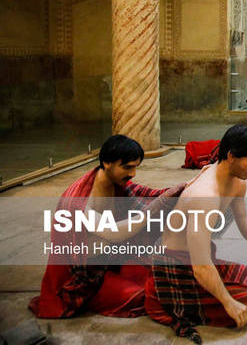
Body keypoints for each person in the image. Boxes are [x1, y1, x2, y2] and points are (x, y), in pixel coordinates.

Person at [145, 125, 247, 342]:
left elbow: (242, 218)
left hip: (200, 258)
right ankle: (171, 302)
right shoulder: (204, 196)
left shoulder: (237, 182)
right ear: (231, 156)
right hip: (176, 265)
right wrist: (228, 302)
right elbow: (200, 267)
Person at [29, 135, 187, 319]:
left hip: (110, 259)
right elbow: (114, 233)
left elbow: (147, 196)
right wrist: (155, 207)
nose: (133, 173)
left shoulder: (116, 183)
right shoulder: (78, 201)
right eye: (127, 167)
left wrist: (182, 190)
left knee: (161, 278)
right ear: (106, 162)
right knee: (143, 295)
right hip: (85, 278)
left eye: (136, 166)